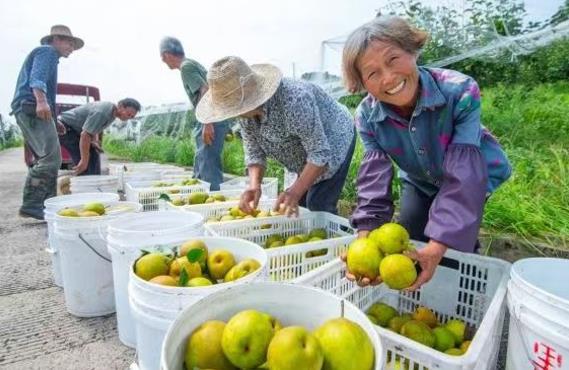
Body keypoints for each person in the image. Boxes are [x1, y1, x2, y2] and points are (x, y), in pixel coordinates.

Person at [342, 16, 512, 290]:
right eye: (372, 73)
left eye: (393, 59)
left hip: (471, 172)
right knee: (411, 233)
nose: (388, 77)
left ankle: (466, 299)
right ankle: (421, 299)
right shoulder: (366, 116)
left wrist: (439, 245)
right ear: (362, 83)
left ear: (412, 51)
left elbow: (463, 179)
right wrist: (364, 240)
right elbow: (373, 182)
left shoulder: (460, 91)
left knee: (456, 243)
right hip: (419, 178)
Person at [195, 56, 356, 216]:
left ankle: (338, 237)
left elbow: (320, 154)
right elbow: (254, 153)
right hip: (304, 153)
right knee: (297, 206)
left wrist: (294, 191)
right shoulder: (245, 116)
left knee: (318, 204)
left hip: (335, 138)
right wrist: (254, 185)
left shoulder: (294, 100)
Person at [11, 25, 84, 220]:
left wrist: (53, 118)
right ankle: (33, 204)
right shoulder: (47, 52)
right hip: (30, 106)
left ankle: (46, 203)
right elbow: (37, 79)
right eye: (69, 42)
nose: (71, 47)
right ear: (56, 40)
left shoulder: (51, 56)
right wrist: (41, 102)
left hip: (28, 108)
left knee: (48, 158)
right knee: (50, 159)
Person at [159, 37, 230, 190]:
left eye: (162, 57)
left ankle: (214, 200)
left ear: (166, 55)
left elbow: (204, 90)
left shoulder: (186, 67)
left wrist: (207, 122)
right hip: (213, 116)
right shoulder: (192, 64)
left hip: (210, 117)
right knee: (202, 159)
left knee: (208, 164)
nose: (163, 61)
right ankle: (198, 193)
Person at [58, 98, 141, 175]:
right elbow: (85, 135)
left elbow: (94, 127)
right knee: (86, 163)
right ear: (120, 106)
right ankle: (86, 184)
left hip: (76, 130)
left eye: (132, 117)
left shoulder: (112, 113)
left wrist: (94, 141)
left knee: (93, 155)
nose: (128, 118)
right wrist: (84, 161)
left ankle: (94, 183)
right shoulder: (103, 112)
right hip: (65, 128)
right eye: (128, 114)